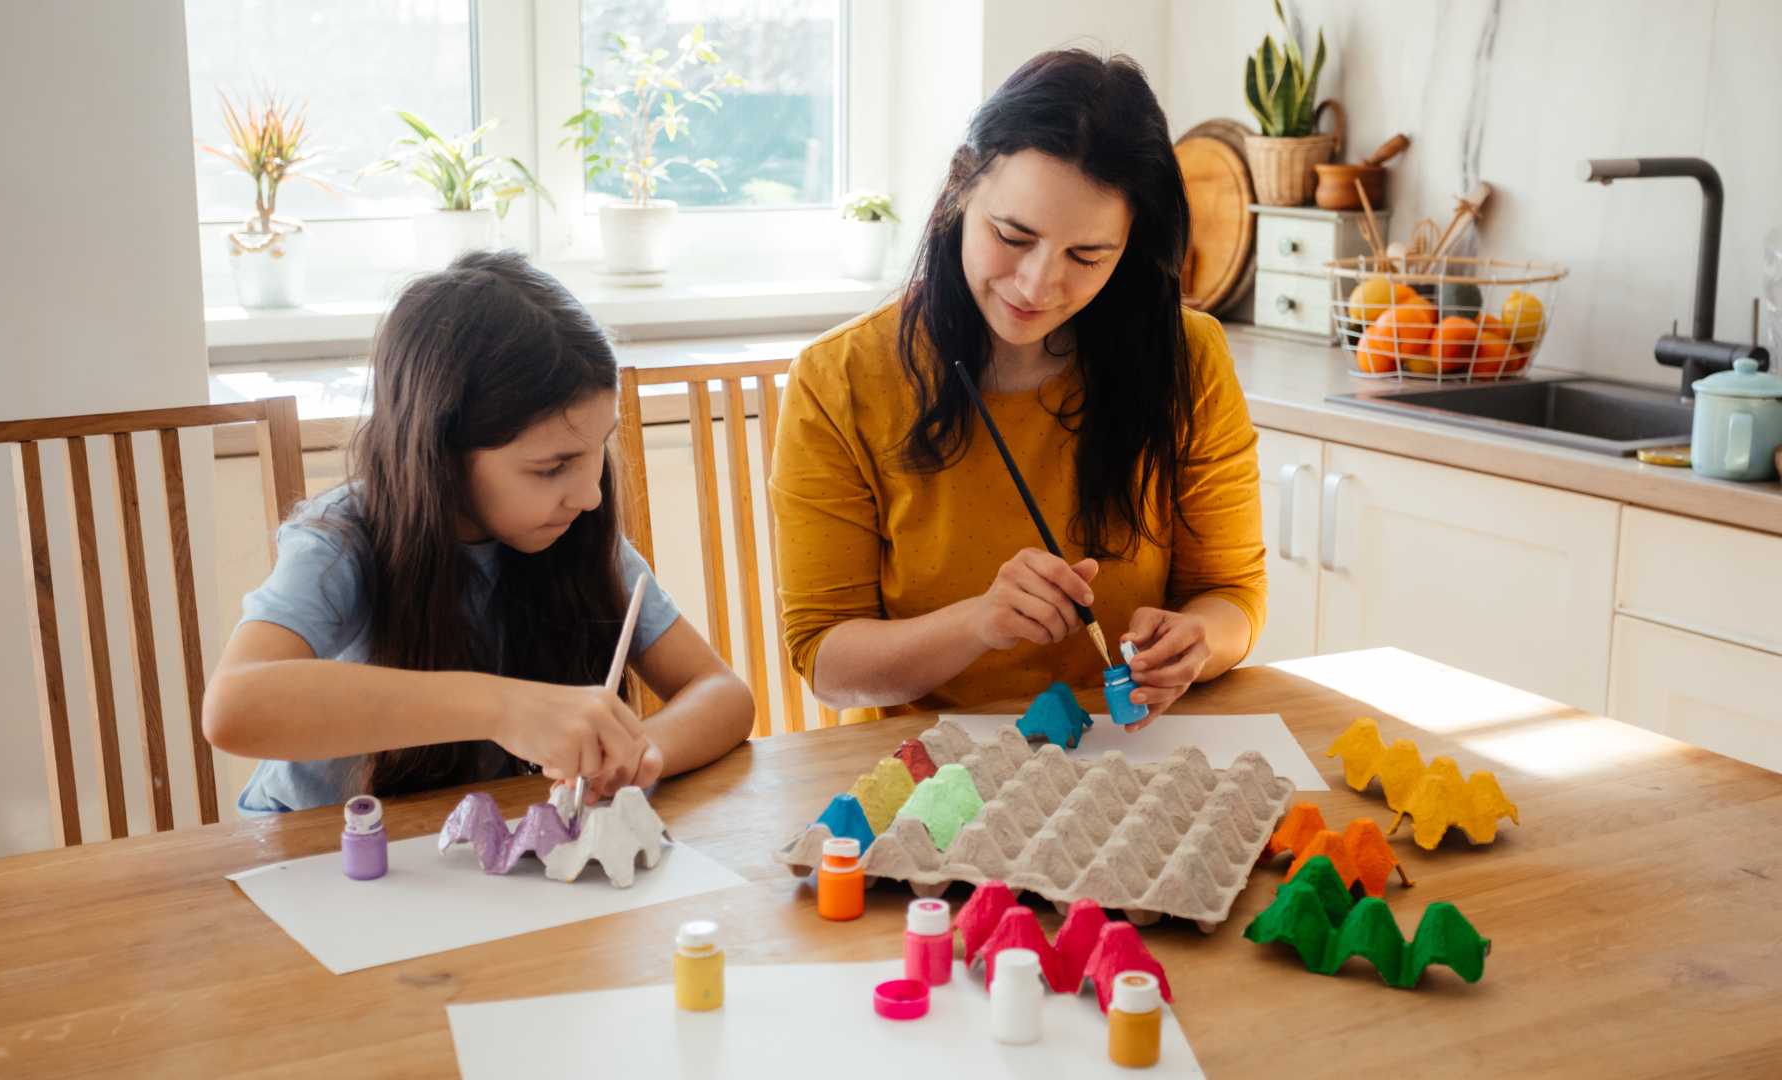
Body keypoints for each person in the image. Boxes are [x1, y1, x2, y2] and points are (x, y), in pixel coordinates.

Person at [770, 50, 1266, 726]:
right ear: (958, 195)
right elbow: (826, 659)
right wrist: (977, 623)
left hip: (1128, 750)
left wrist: (1199, 642)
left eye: (1087, 256)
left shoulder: (1189, 358)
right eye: (1012, 236)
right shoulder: (841, 378)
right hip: (932, 774)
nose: (1037, 285)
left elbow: (1230, 594)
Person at [204, 251, 755, 812]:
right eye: (552, 467)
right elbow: (234, 708)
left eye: (599, 449)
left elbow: (721, 693)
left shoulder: (576, 532)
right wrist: (502, 707)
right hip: (319, 853)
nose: (590, 494)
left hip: (473, 853)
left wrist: (640, 753)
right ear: (441, 451)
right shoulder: (343, 541)